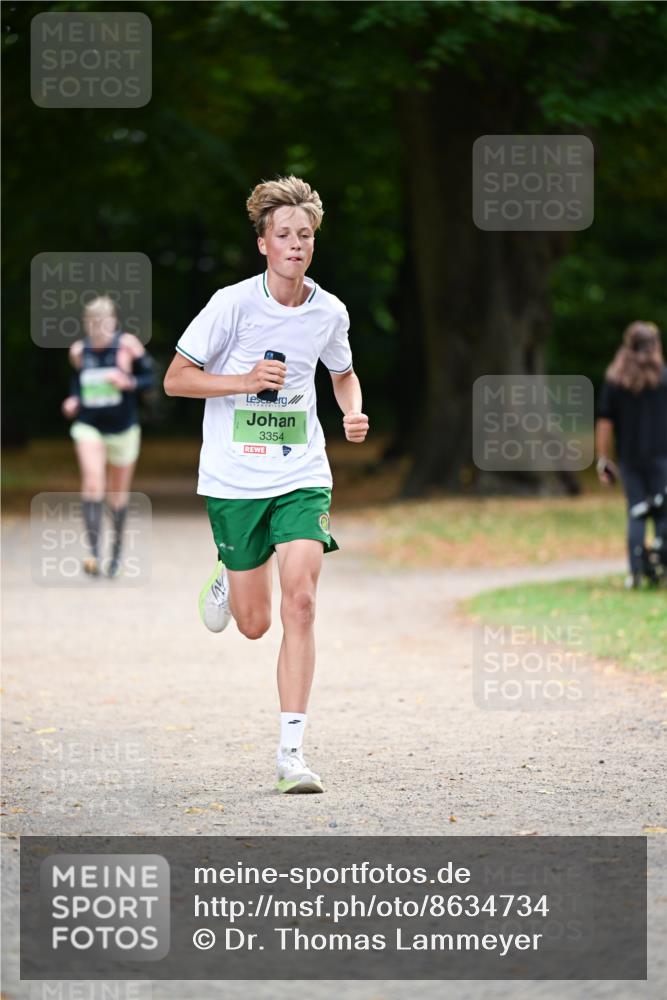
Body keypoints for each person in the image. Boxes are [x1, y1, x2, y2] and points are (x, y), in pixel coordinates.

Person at [163, 175, 369, 794]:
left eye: (304, 235)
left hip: (302, 472)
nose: (295, 245)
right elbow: (176, 380)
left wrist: (352, 410)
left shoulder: (329, 311)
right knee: (253, 625)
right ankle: (230, 573)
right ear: (263, 244)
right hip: (233, 478)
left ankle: (291, 754)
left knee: (300, 602)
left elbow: (343, 373)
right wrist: (243, 378)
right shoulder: (230, 305)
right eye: (283, 235)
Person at [61, 295, 155, 578]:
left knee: (117, 495)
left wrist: (128, 381)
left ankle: (115, 553)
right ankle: (93, 552)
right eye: (94, 323)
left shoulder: (128, 346)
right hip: (89, 425)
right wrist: (73, 400)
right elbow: (78, 383)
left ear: (114, 321)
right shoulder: (79, 350)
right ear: (87, 324)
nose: (100, 328)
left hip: (124, 428)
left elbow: (151, 379)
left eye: (105, 322)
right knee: (92, 484)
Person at [595, 320, 667, 588]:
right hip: (661, 457)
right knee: (663, 512)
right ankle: (661, 566)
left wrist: (604, 458)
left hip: (630, 458)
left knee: (636, 512)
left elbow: (604, 422)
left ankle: (636, 571)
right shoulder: (663, 378)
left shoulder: (616, 381)